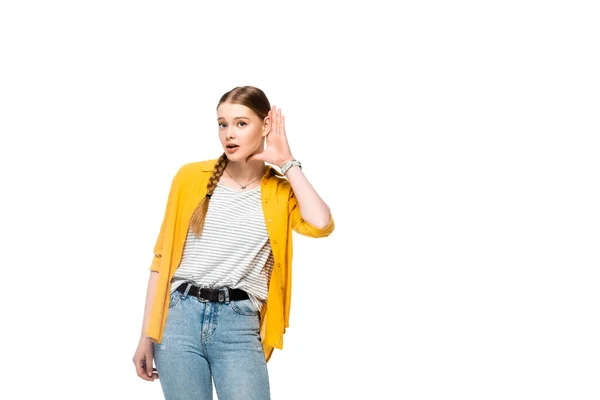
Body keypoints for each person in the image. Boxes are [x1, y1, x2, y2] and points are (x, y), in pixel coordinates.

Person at [132, 85, 335, 399]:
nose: (229, 133)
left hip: (238, 324)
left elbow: (321, 223)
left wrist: (287, 162)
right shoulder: (189, 177)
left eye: (241, 123)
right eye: (222, 123)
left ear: (265, 126)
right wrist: (147, 335)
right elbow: (161, 263)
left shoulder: (279, 191)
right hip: (178, 321)